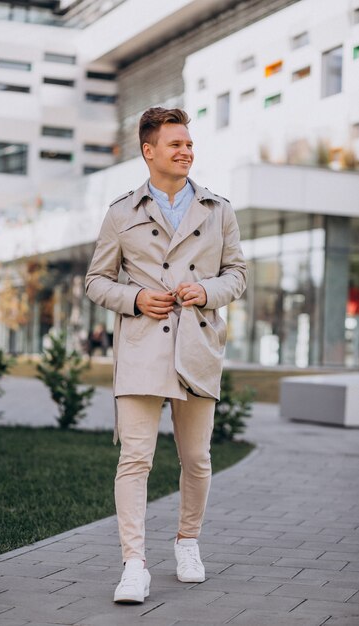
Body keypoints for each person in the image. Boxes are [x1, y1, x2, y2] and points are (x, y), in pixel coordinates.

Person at [85, 107, 247, 603]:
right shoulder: (121, 213)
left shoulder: (219, 210)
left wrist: (205, 290)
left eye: (190, 144)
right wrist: (133, 299)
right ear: (148, 151)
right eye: (175, 144)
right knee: (135, 459)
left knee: (196, 459)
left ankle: (188, 541)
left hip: (196, 347)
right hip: (142, 349)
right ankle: (133, 564)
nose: (186, 151)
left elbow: (237, 275)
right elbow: (95, 281)